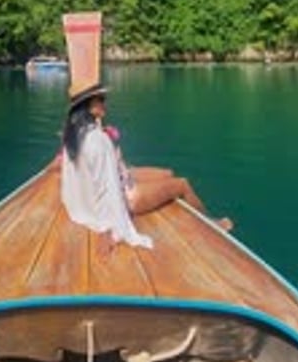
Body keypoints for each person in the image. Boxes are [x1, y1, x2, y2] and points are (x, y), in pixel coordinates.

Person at [60, 85, 233, 253]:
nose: (105, 104)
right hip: (128, 196)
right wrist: (113, 228)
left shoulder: (73, 136)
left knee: (168, 173)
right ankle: (212, 225)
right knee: (182, 184)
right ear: (89, 106)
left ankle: (198, 214)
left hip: (119, 181)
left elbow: (80, 178)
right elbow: (109, 187)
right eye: (101, 100)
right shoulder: (97, 140)